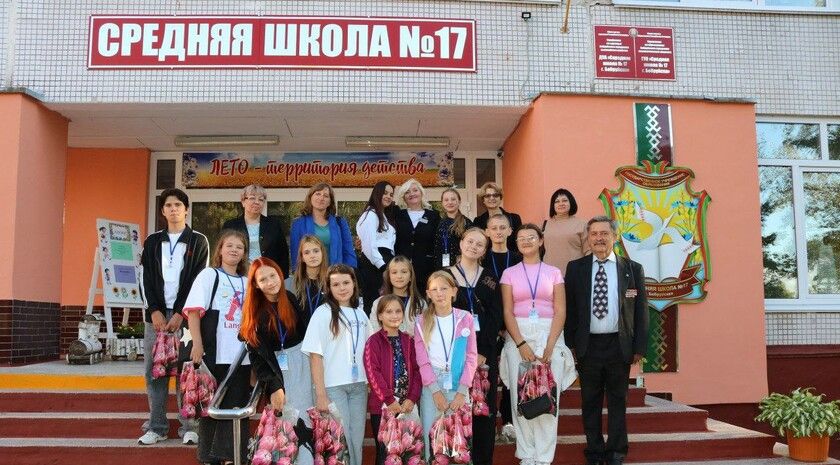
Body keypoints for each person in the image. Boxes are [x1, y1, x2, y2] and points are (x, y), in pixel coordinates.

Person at [564, 216, 648, 465]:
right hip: (588, 346)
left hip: (619, 346)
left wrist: (639, 347)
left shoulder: (632, 269)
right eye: (594, 234)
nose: (599, 238)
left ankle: (616, 452)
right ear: (588, 238)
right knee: (589, 401)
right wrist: (571, 345)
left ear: (614, 237)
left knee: (618, 401)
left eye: (604, 233)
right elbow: (570, 309)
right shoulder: (575, 268)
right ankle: (594, 451)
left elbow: (641, 310)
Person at [500, 223, 577, 465]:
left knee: (547, 396)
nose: (526, 241)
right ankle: (527, 455)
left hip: (549, 332)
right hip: (519, 333)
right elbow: (507, 311)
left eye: (531, 237)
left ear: (541, 241)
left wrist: (551, 345)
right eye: (521, 238)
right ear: (516, 243)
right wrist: (520, 343)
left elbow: (560, 310)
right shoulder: (509, 273)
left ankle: (543, 457)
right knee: (521, 397)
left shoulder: (554, 272)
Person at [139, 188, 209, 446]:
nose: (173, 209)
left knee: (187, 370)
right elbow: (145, 278)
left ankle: (189, 426)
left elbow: (198, 280)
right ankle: (156, 426)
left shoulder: (198, 241)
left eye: (178, 205)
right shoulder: (152, 241)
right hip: (156, 318)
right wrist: (154, 310)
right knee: (155, 372)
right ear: (162, 211)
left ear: (186, 209)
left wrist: (181, 312)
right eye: (168, 205)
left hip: (186, 317)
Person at [182, 229, 251, 464]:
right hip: (215, 354)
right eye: (229, 245)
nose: (234, 250)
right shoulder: (209, 275)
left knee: (237, 409)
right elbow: (193, 311)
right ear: (220, 249)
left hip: (242, 357)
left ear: (244, 253)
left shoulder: (248, 282)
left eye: (239, 247)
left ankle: (233, 457)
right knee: (211, 410)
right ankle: (209, 458)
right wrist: (197, 344)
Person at [240, 257, 315, 465]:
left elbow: (306, 334)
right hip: (278, 372)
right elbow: (258, 357)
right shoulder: (254, 313)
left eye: (273, 275)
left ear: (280, 275)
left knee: (306, 420)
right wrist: (273, 387)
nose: (270, 282)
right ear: (255, 284)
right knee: (288, 425)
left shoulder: (289, 298)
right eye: (263, 279)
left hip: (302, 365)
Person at [302, 264, 370, 465]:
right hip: (333, 387)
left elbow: (369, 350)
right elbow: (315, 355)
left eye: (346, 282)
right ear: (329, 288)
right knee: (339, 441)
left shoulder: (360, 314)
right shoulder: (322, 313)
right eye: (336, 284)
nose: (342, 288)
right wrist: (321, 394)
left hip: (359, 386)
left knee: (356, 440)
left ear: (354, 284)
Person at [445, 228, 501, 465]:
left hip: (483, 355)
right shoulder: (444, 276)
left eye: (480, 244)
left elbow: (496, 317)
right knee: (454, 410)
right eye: (470, 241)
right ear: (461, 243)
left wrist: (483, 352)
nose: (473, 247)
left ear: (484, 251)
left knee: (483, 412)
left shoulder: (490, 279)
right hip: (452, 354)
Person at [414, 271, 478, 458]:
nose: (439, 293)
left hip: (459, 383)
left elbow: (471, 356)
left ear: (454, 291)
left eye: (444, 288)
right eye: (434, 289)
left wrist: (462, 391)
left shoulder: (465, 318)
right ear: (428, 294)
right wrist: (435, 391)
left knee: (459, 439)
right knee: (431, 437)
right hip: (432, 386)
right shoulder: (421, 321)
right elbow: (422, 360)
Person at [363, 295, 422, 465]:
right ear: (380, 316)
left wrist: (412, 398)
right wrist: (389, 400)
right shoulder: (373, 341)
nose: (394, 315)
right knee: (386, 455)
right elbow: (372, 373)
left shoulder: (409, 341)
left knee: (410, 454)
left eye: (398, 311)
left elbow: (418, 371)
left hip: (407, 406)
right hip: (384, 407)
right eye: (388, 312)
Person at [481, 212, 523, 439]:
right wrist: (495, 325)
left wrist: (508, 326)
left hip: (512, 326)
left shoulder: (518, 259)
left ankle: (508, 420)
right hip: (487, 326)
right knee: (486, 375)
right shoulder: (480, 258)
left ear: (510, 231)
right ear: (487, 232)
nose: (498, 232)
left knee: (510, 374)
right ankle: (486, 421)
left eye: (502, 228)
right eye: (494, 228)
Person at [223, 184, 290, 276]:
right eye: (252, 198)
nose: (257, 202)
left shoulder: (274, 225)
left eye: (261, 199)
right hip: (238, 275)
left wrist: (281, 277)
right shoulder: (230, 226)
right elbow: (222, 252)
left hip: (268, 276)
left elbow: (283, 254)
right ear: (243, 201)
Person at [289, 183, 357, 271]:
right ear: (310, 198)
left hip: (335, 274)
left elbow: (348, 251)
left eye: (326, 196)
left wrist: (348, 271)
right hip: (309, 276)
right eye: (318, 194)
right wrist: (298, 275)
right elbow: (296, 254)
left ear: (330, 202)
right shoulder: (298, 224)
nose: (321, 198)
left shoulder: (340, 222)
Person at [356, 181, 396, 314]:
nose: (388, 196)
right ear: (377, 193)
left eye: (391, 194)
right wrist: (383, 267)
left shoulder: (382, 215)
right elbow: (369, 246)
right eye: (385, 193)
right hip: (375, 266)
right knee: (374, 306)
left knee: (385, 306)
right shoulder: (370, 215)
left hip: (384, 262)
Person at [394, 178, 440, 293]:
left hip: (426, 270)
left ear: (421, 193)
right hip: (401, 270)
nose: (412, 194)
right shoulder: (397, 215)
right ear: (403, 197)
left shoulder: (434, 216)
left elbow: (438, 242)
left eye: (415, 190)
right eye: (407, 192)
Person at [368, 256, 426, 336]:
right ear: (389, 276)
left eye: (404, 272)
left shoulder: (420, 303)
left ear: (410, 276)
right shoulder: (378, 303)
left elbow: (426, 332)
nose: (399, 276)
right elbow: (374, 331)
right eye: (394, 272)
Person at [543, 188, 590, 274]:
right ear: (553, 205)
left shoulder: (582, 224)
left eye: (564, 200)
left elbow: (588, 251)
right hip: (549, 274)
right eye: (557, 201)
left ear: (571, 202)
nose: (561, 204)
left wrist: (585, 271)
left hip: (575, 274)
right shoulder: (545, 225)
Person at [286, 235, 329, 318]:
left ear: (322, 253)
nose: (312, 256)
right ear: (302, 257)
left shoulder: (332, 281)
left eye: (316, 251)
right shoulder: (290, 284)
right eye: (307, 252)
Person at [472, 182, 522, 252]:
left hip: (511, 258)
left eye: (495, 195)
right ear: (483, 200)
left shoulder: (514, 218)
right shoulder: (478, 221)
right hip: (487, 258)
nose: (492, 198)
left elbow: (519, 242)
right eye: (487, 196)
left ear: (500, 198)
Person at [434, 188, 472, 269]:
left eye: (453, 199)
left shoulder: (466, 222)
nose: (450, 202)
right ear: (442, 203)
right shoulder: (438, 222)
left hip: (460, 266)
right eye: (446, 200)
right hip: (441, 267)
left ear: (459, 201)